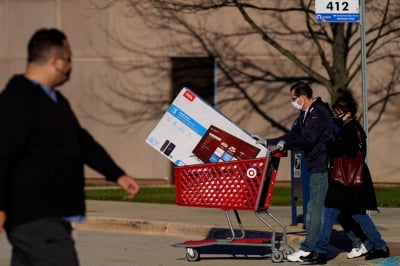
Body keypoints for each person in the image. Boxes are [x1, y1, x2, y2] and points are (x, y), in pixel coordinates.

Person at [0, 28, 140, 265]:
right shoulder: (18, 99)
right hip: (35, 215)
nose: (70, 66)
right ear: (56, 62)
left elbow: (82, 141)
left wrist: (117, 174)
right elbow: (3, 154)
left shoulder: (54, 100)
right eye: (69, 60)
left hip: (50, 216)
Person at [303, 90, 389, 264]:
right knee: (358, 214)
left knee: (328, 212)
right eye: (334, 113)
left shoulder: (349, 130)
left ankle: (320, 251)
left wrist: (327, 138)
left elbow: (335, 150)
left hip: (345, 181)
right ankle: (380, 246)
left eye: (337, 113)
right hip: (354, 180)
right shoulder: (355, 129)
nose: (335, 116)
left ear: (348, 113)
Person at [255, 82, 333, 262]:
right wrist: (268, 142)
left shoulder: (318, 113)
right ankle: (366, 242)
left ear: (302, 97)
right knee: (337, 210)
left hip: (321, 166)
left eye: (293, 98)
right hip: (314, 165)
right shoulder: (304, 114)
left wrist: (286, 145)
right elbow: (292, 136)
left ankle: (308, 249)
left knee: (313, 210)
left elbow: (307, 139)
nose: (293, 102)